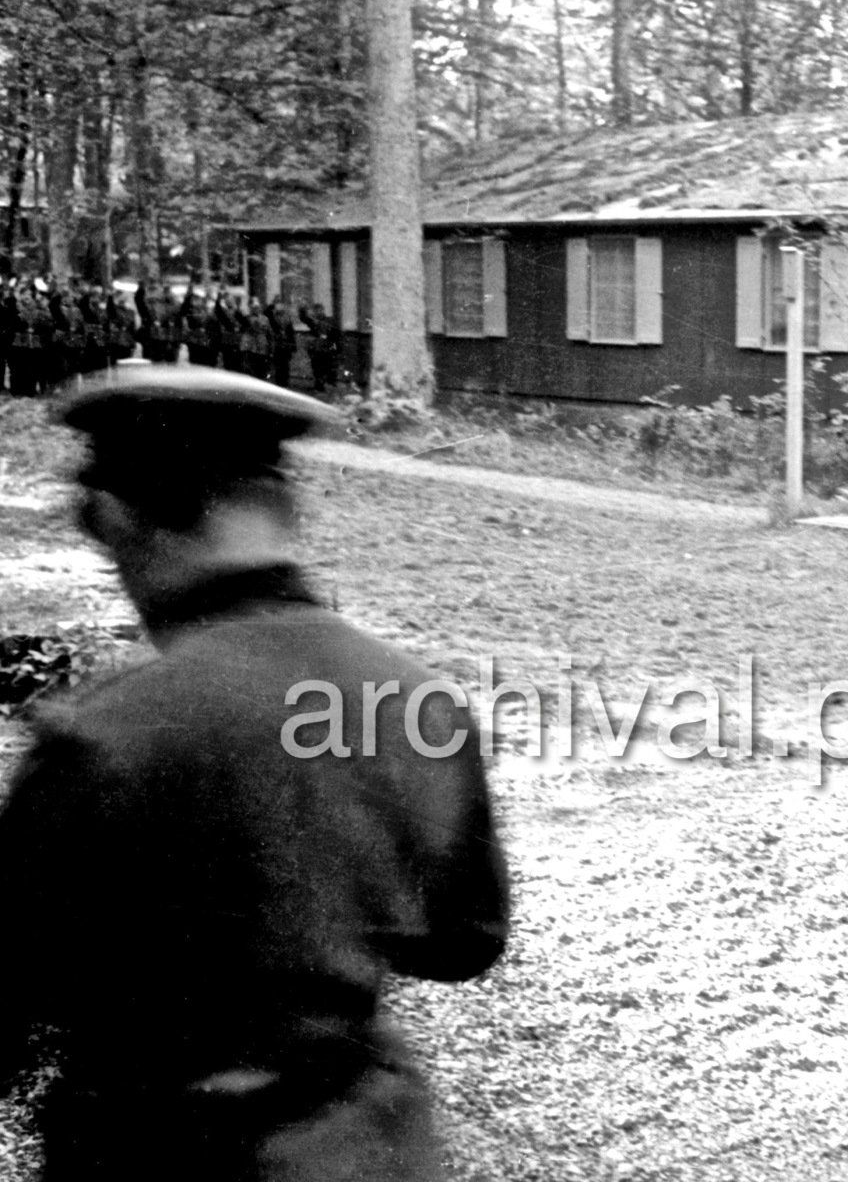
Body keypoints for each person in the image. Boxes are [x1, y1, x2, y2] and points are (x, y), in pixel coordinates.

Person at [0, 365, 512, 1178]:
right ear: (285, 510)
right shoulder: (418, 701)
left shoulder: (103, 737)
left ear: (120, 520)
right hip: (368, 1152)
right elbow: (461, 942)